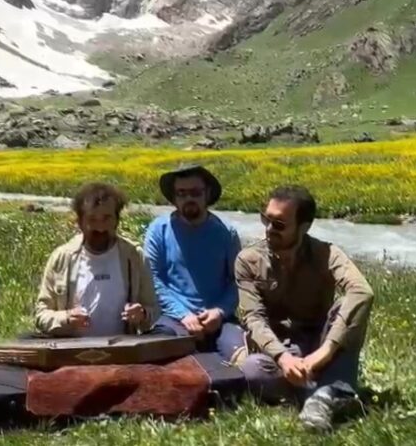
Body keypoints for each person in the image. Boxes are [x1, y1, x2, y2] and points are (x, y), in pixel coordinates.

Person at [236, 185, 375, 432]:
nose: (269, 229)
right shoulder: (248, 260)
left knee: (351, 305)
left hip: (321, 342)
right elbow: (254, 318)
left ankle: (319, 393)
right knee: (251, 371)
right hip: (283, 347)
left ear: (304, 226)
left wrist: (325, 353)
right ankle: (332, 391)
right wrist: (284, 357)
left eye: (279, 224)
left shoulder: (328, 253)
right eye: (265, 219)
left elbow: (362, 291)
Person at [143, 164, 244, 360]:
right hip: (174, 316)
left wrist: (220, 311)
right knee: (160, 353)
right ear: (174, 197)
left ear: (207, 194)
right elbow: (153, 279)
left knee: (244, 360)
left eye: (195, 192)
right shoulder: (158, 230)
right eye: (182, 193)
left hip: (219, 319)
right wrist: (183, 315)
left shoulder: (226, 232)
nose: (189, 198)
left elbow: (238, 281)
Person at [33, 182, 158, 337]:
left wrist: (142, 314)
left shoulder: (134, 257)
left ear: (117, 220)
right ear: (80, 222)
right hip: (72, 353)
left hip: (122, 352)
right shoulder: (61, 258)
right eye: (92, 219)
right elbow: (41, 315)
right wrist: (66, 318)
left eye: (107, 218)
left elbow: (154, 311)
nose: (100, 227)